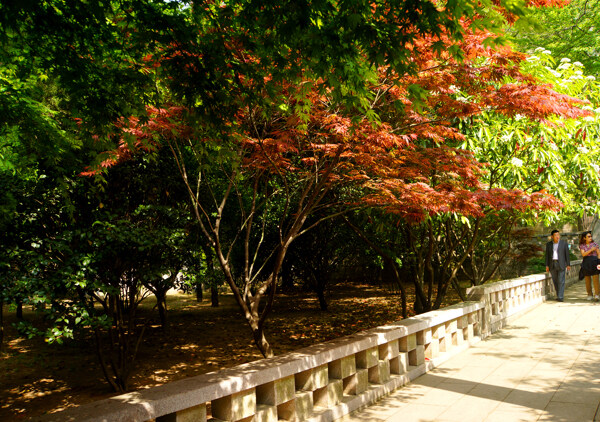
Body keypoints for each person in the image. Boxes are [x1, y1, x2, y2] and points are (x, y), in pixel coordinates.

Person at [545, 230, 571, 302]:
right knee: (555, 281)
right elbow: (547, 255)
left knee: (561, 280)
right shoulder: (549, 244)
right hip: (552, 264)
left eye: (558, 235)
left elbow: (567, 255)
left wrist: (568, 264)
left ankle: (560, 296)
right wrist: (547, 265)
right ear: (552, 236)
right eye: (555, 235)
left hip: (561, 264)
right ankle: (558, 294)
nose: (557, 236)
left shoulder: (564, 244)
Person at [578, 231, 600, 301]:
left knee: (596, 279)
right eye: (589, 236)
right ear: (584, 238)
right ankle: (589, 294)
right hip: (586, 263)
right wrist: (591, 250)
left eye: (591, 236)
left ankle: (597, 294)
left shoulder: (595, 244)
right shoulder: (582, 245)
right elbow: (583, 254)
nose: (590, 238)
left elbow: (599, 254)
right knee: (587, 280)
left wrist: (599, 262)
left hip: (594, 262)